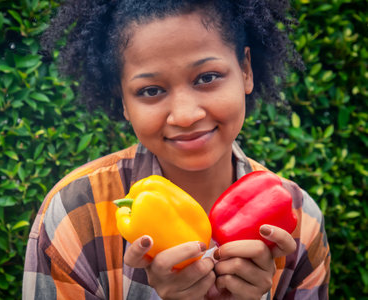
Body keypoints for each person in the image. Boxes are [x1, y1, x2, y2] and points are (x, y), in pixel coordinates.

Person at [23, 1, 330, 299]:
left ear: (245, 70)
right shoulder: (76, 213)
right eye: (151, 90)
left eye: (207, 78)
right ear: (124, 102)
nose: (185, 115)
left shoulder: (302, 223)